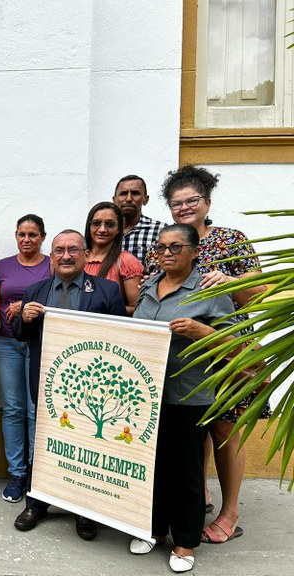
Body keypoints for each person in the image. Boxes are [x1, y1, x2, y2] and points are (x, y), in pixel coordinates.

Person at [145, 165, 266, 544]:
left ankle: (229, 512)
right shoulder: (164, 247)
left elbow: (260, 295)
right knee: (187, 435)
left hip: (227, 347)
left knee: (225, 429)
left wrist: (231, 283)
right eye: (176, 203)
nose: (184, 207)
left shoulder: (230, 240)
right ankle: (196, 500)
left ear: (207, 201)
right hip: (180, 360)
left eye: (191, 200)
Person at [130, 224, 237, 573]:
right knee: (152, 467)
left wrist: (200, 330)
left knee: (187, 472)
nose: (167, 253)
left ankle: (185, 542)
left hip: (189, 393)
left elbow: (234, 345)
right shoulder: (148, 286)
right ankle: (155, 530)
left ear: (194, 251)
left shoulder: (208, 291)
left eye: (176, 247)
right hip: (146, 394)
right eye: (162, 247)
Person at [12, 229, 126, 539]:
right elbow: (20, 334)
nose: (65, 255)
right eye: (59, 250)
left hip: (92, 390)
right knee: (45, 442)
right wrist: (24, 317)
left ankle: (84, 511)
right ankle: (36, 503)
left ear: (86, 255)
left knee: (87, 446)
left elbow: (121, 340)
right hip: (48, 383)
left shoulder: (107, 291)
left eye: (73, 250)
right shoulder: (36, 290)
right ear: (51, 257)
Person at [0, 214, 51, 503]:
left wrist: (26, 305)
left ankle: (38, 472)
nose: (27, 240)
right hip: (7, 343)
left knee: (36, 410)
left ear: (43, 237)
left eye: (33, 235)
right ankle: (17, 473)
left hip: (40, 343)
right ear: (16, 236)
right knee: (12, 408)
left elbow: (59, 299)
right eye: (22, 234)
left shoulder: (52, 265)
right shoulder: (2, 266)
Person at [83, 201, 144, 315]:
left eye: (109, 224)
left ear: (118, 229)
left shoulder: (126, 261)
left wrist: (105, 310)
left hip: (108, 328)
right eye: (96, 223)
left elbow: (137, 307)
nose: (102, 229)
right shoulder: (79, 258)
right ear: (89, 226)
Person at [112, 174, 165, 267]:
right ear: (115, 200)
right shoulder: (104, 231)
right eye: (123, 193)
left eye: (135, 193)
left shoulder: (161, 230)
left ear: (146, 199)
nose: (128, 199)